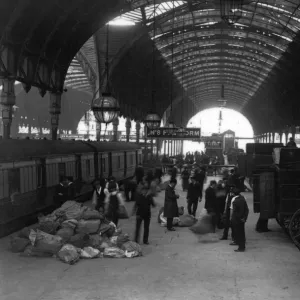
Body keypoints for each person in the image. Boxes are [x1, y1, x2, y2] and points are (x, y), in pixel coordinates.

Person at [133, 177, 156, 245]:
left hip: (147, 214)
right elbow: (136, 205)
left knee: (146, 228)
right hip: (139, 214)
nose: (144, 191)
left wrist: (151, 201)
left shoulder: (149, 197)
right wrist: (134, 212)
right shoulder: (139, 196)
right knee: (138, 228)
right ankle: (136, 240)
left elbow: (153, 205)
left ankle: (145, 240)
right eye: (143, 190)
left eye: (146, 190)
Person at [230, 188, 249, 252]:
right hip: (242, 219)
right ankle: (242, 246)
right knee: (242, 233)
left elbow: (234, 211)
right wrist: (244, 218)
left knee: (238, 233)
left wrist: (232, 218)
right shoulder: (243, 199)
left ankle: (240, 247)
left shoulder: (234, 201)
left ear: (233, 194)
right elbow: (247, 210)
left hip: (236, 220)